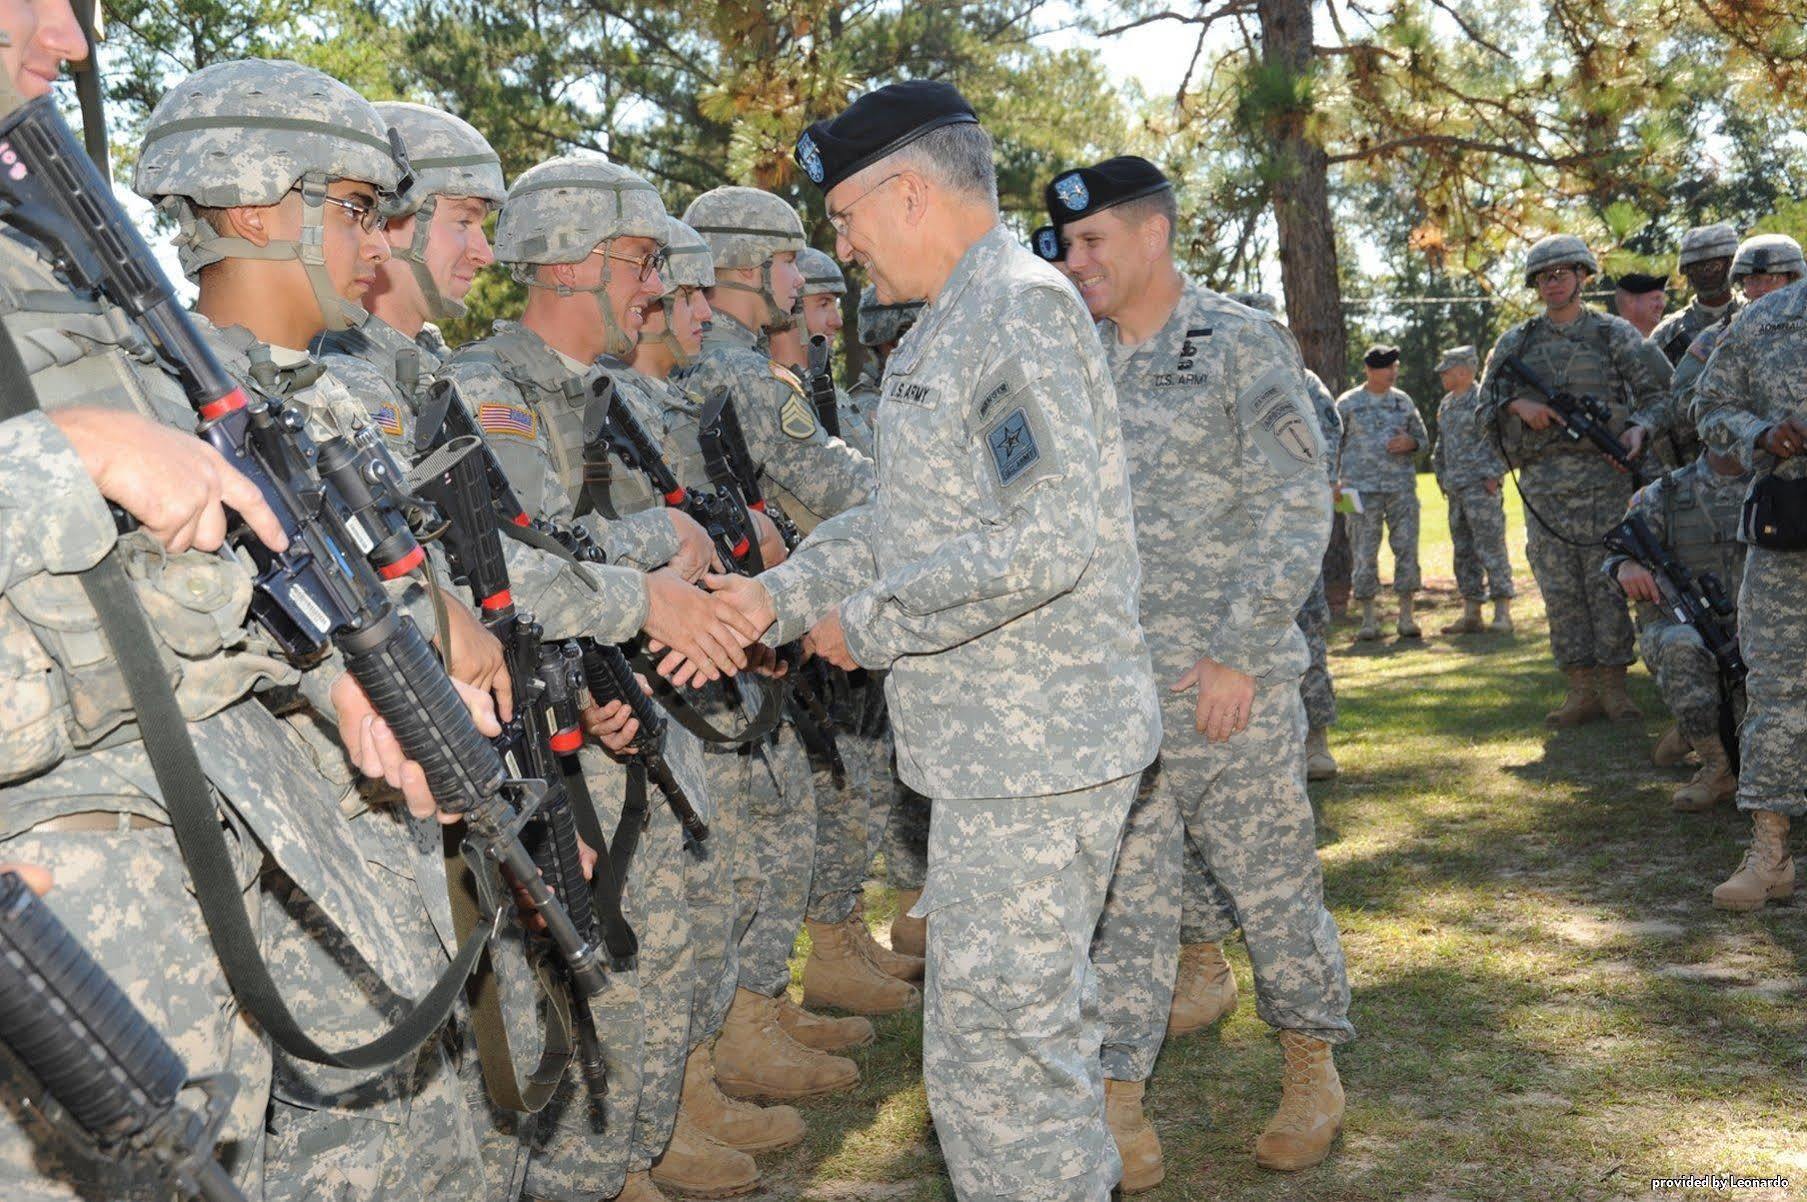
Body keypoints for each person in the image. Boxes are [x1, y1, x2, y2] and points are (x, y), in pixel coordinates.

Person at [710, 81, 1162, 1200]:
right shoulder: (951, 324)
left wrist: (862, 626)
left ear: (908, 192)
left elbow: (1050, 535)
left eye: (848, 216)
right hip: (997, 755)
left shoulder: (1014, 307)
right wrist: (774, 598)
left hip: (1036, 755)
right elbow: (895, 517)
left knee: (1002, 1062)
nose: (843, 244)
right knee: (1013, 1042)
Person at [133, 57, 512, 1202]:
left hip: (390, 850)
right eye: (353, 210)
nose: (381, 245)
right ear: (253, 207)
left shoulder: (325, 395)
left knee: (436, 1135)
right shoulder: (159, 407)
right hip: (281, 874)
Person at [1052, 155, 1352, 1183]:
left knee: (1270, 884)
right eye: (1065, 243)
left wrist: (1239, 651)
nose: (1072, 258)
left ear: (1152, 235)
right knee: (1126, 901)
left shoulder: (1239, 341)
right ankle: (1119, 1092)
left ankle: (1310, 1061)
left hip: (1226, 684)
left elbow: (1294, 503)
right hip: (1114, 691)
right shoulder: (1073, 354)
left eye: (1091, 240)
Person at [678, 186, 897, 1098]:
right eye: (781, 264)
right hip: (738, 635)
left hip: (728, 625)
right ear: (737, 267)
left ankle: (759, 1012)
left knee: (769, 830)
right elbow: (858, 490)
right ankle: (741, 1028)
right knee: (764, 834)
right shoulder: (741, 377)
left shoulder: (705, 373)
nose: (795, 279)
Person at [1478, 233, 1671, 727]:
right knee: (1559, 588)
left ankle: (1614, 687)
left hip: (1606, 480)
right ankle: (1579, 688)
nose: (1554, 282)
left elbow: (1663, 394)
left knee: (1608, 582)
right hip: (1544, 486)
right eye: (1545, 276)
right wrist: (1518, 406)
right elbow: (1483, 408)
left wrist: (1638, 430)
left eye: (1563, 272)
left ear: (1583, 276)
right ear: (1535, 284)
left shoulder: (1614, 335)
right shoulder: (1516, 342)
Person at [1691, 273, 1807, 912]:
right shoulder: (1771, 319)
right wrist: (1761, 432)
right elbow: (1709, 406)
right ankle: (1770, 856)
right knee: (1776, 690)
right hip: (1791, 534)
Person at [1231, 291, 1342, 779]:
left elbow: (1321, 457)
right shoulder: (1217, 375)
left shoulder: (1304, 384)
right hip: (1232, 545)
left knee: (1308, 638)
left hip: (1289, 538)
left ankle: (1317, 741)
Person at [1604, 451, 1749, 810]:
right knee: (1682, 645)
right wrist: (1625, 566)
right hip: (1682, 627)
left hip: (1760, 627)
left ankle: (1694, 727)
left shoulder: (1774, 483)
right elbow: (1613, 555)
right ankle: (1717, 770)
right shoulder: (1665, 493)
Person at [1336, 346, 1428, 640]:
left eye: (1395, 367)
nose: (1392, 373)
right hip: (1358, 490)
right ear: (1369, 370)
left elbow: (1423, 440)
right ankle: (1369, 620)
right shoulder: (1348, 403)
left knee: (1406, 549)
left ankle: (1406, 617)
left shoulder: (1403, 401)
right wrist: (1332, 482)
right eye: (1386, 368)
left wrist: (1411, 443)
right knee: (1363, 553)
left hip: (1400, 488)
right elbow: (1330, 444)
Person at [1430, 345, 1515, 634]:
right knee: (1463, 551)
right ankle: (1472, 612)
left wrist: (1493, 475)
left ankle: (1502, 612)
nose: (1441, 374)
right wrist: (1441, 475)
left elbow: (1503, 439)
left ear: (1465, 371)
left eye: (1447, 370)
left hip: (1481, 488)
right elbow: (1441, 444)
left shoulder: (1484, 399)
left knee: (1491, 547)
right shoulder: (1447, 404)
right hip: (1456, 489)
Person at [1669, 235, 1805, 414]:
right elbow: (1682, 402)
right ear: (1743, 283)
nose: (1762, 288)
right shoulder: (1717, 337)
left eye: (1773, 278)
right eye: (1753, 280)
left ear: (1793, 279)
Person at [1613, 272, 1668, 338]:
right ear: (1630, 301)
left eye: (1663, 299)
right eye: (1655, 298)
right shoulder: (1607, 344)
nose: (1662, 305)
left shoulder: (1667, 340)